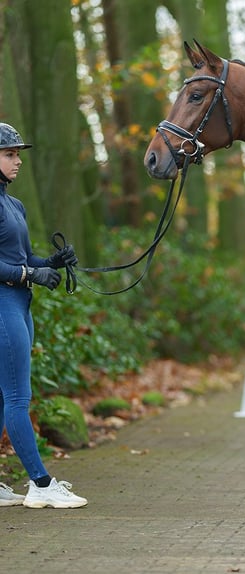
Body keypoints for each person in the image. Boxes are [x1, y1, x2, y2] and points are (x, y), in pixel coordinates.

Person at [0, 122, 87, 509]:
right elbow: (13, 268)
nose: (18, 161)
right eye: (9, 154)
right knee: (18, 397)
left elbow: (21, 258)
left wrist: (50, 262)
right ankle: (41, 484)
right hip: (3, 306)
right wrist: (28, 274)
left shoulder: (13, 204)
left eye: (18, 154)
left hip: (20, 305)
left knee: (2, 397)